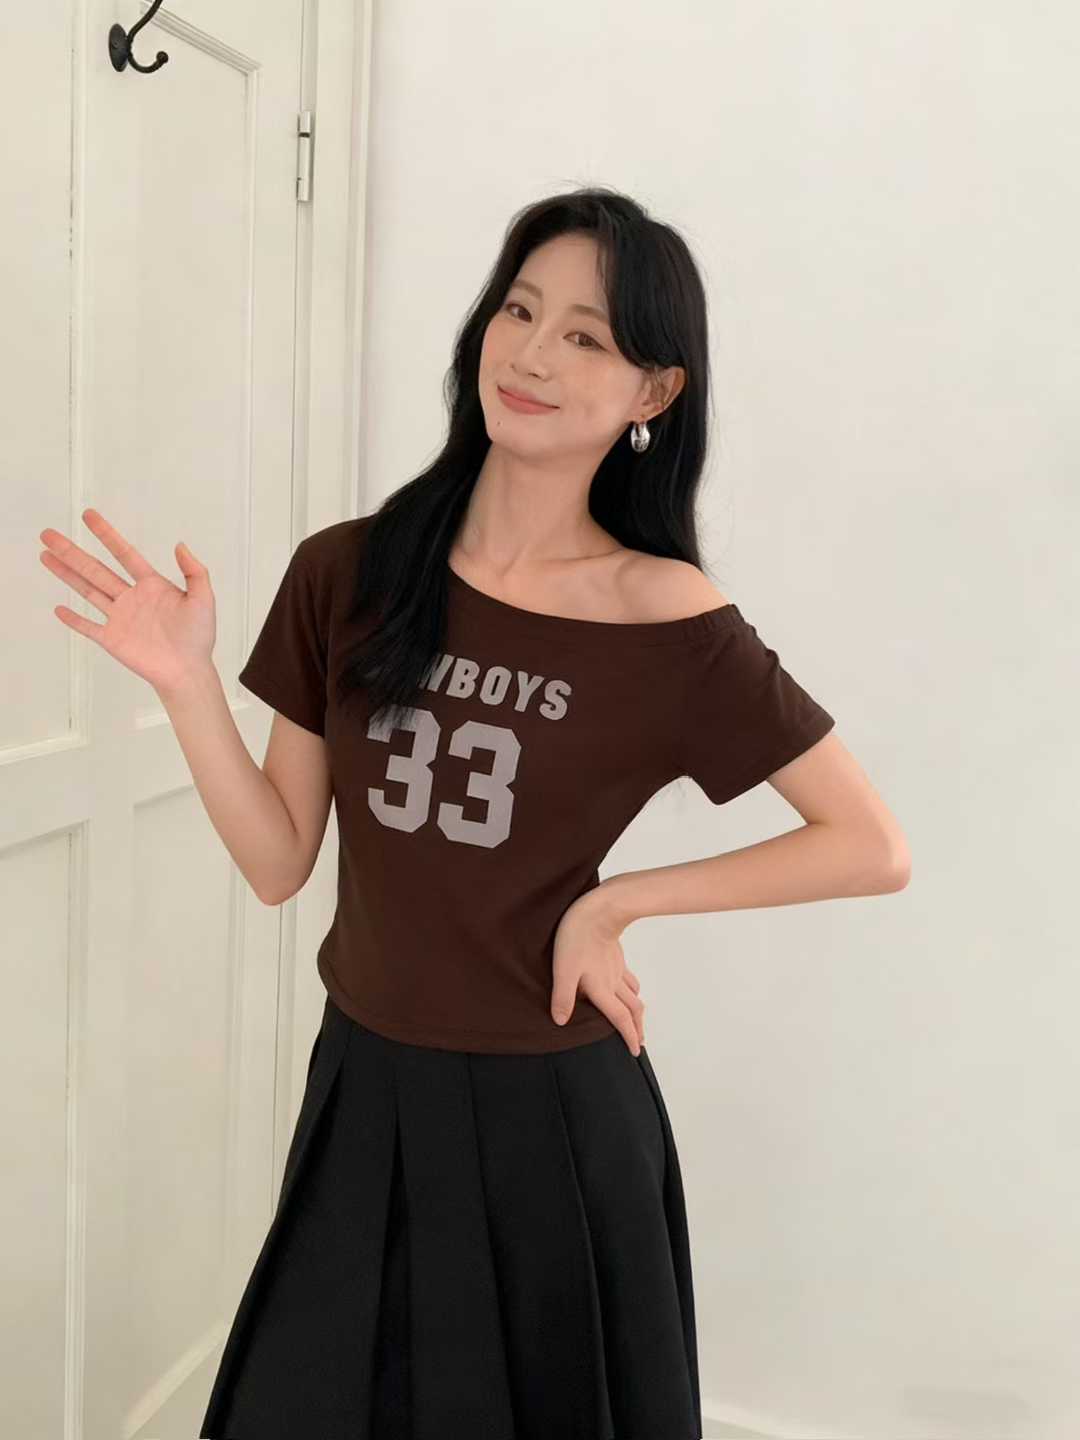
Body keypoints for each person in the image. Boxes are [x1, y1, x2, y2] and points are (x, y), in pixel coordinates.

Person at [38, 186, 910, 1440]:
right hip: (365, 1089)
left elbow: (870, 846)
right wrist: (185, 686)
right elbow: (280, 860)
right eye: (519, 310)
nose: (534, 353)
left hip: (552, 1119)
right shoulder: (349, 570)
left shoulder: (664, 615)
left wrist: (618, 903)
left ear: (653, 391)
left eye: (586, 336)